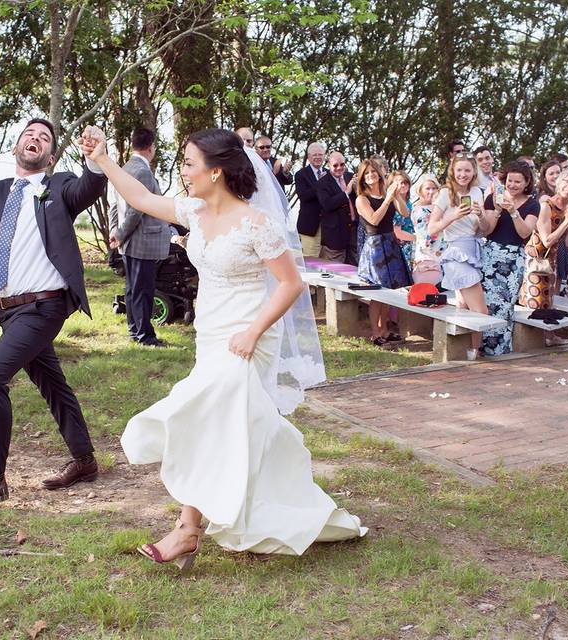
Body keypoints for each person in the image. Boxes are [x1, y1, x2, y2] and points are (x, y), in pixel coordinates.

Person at [88, 126, 366, 566]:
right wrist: (104, 160)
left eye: (189, 163)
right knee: (218, 425)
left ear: (216, 172)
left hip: (249, 335)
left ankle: (186, 529)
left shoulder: (258, 224)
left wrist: (253, 332)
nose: (183, 171)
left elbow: (291, 284)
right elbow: (140, 199)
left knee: (199, 415)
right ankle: (204, 524)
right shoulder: (194, 212)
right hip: (212, 333)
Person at [0, 119, 106, 508]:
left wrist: (96, 160)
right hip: (10, 311)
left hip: (44, 306)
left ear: (51, 154)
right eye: (30, 134)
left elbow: (89, 187)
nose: (36, 139)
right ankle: (85, 460)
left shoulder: (59, 185)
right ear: (16, 146)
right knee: (52, 383)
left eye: (45, 138)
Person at [108, 128, 169, 347]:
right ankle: (145, 335)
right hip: (141, 240)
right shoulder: (142, 171)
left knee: (133, 288)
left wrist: (115, 231)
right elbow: (136, 209)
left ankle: (135, 330)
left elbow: (114, 205)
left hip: (129, 239)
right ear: (151, 147)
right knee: (142, 290)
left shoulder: (124, 168)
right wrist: (121, 233)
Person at [428, 152, 489, 352]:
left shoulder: (477, 192)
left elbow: (484, 229)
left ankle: (461, 352)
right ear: (453, 171)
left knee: (463, 307)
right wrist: (452, 216)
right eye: (459, 170)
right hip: (456, 253)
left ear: (473, 172)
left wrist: (481, 216)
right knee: (481, 311)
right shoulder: (445, 193)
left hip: (474, 249)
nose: (463, 174)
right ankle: (476, 353)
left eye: (467, 170)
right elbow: (432, 229)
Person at [478, 160, 539, 355]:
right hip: (490, 255)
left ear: (527, 182)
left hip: (514, 258)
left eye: (518, 182)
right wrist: (497, 209)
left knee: (505, 305)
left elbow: (524, 233)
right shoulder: (492, 198)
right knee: (485, 303)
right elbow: (486, 230)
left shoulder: (532, 204)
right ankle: (480, 346)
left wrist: (513, 211)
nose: (512, 185)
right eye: (510, 181)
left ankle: (500, 350)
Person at [355, 159, 413, 345]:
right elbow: (373, 220)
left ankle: (385, 329)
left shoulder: (388, 193)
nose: (371, 175)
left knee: (389, 291)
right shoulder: (361, 199)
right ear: (363, 178)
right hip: (375, 247)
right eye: (367, 173)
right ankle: (375, 332)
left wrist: (395, 196)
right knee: (377, 293)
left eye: (374, 171)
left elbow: (405, 213)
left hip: (391, 243)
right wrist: (387, 200)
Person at [520, 169, 568, 331]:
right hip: (536, 261)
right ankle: (533, 343)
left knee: (548, 303)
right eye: (566, 182)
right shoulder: (546, 206)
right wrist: (567, 221)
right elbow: (547, 240)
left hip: (551, 262)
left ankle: (549, 338)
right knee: (535, 303)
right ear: (558, 182)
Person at [402, 174, 446, 285]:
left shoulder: (439, 206)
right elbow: (427, 235)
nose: (431, 191)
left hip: (443, 254)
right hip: (427, 256)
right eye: (427, 188)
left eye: (434, 188)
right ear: (420, 191)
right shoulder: (419, 210)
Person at [316, 151, 356, 263]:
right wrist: (346, 193)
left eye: (342, 164)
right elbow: (327, 204)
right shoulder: (322, 183)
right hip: (335, 237)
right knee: (336, 274)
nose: (339, 168)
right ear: (328, 165)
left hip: (354, 233)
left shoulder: (351, 177)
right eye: (335, 165)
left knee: (355, 270)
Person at [294, 142, 327, 257]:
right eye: (314, 155)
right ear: (308, 157)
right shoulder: (301, 174)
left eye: (320, 154)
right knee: (311, 261)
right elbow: (304, 196)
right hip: (310, 227)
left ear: (324, 156)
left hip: (329, 227)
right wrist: (320, 184)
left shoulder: (329, 173)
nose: (318, 157)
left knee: (328, 264)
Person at [390, 170, 415, 268]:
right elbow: (398, 233)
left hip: (410, 246)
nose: (403, 185)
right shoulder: (395, 205)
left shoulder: (409, 203)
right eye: (399, 183)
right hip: (400, 249)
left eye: (405, 182)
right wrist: (419, 239)